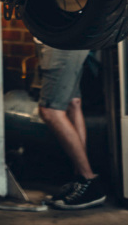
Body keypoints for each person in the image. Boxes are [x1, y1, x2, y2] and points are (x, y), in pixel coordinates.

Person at [36, 44, 106, 210]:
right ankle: (81, 181)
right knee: (73, 103)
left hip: (61, 43)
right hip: (69, 40)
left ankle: (88, 178)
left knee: (50, 110)